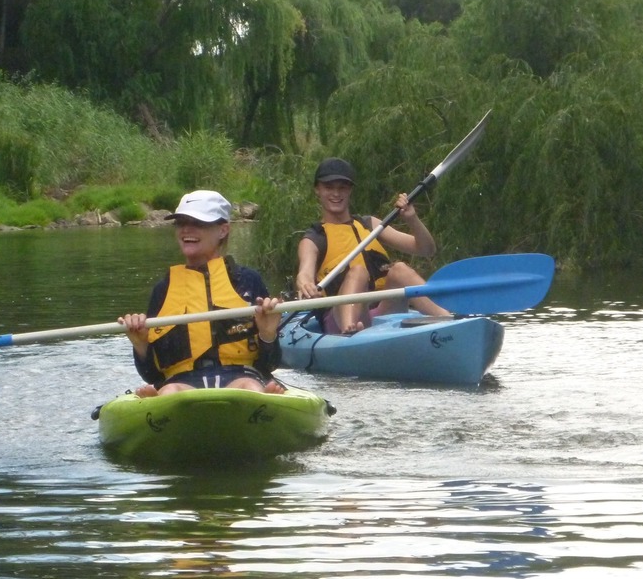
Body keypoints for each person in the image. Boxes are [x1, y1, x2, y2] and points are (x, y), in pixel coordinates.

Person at [118, 190, 285, 398]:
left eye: (198, 223)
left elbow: (270, 363)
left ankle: (263, 395)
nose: (187, 229)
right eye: (181, 223)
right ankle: (160, 399)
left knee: (250, 387)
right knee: (169, 390)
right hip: (181, 381)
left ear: (223, 230)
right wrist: (141, 344)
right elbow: (151, 373)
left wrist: (268, 336)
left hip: (241, 376)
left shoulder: (248, 281)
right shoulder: (163, 290)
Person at [294, 157, 449, 334]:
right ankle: (349, 331)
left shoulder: (371, 224)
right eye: (329, 187)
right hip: (339, 317)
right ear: (318, 190)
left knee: (399, 269)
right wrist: (305, 284)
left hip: (381, 313)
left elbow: (427, 250)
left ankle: (447, 320)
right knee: (358, 272)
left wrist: (412, 219)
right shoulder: (314, 238)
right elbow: (304, 273)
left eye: (342, 188)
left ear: (350, 190)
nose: (336, 194)